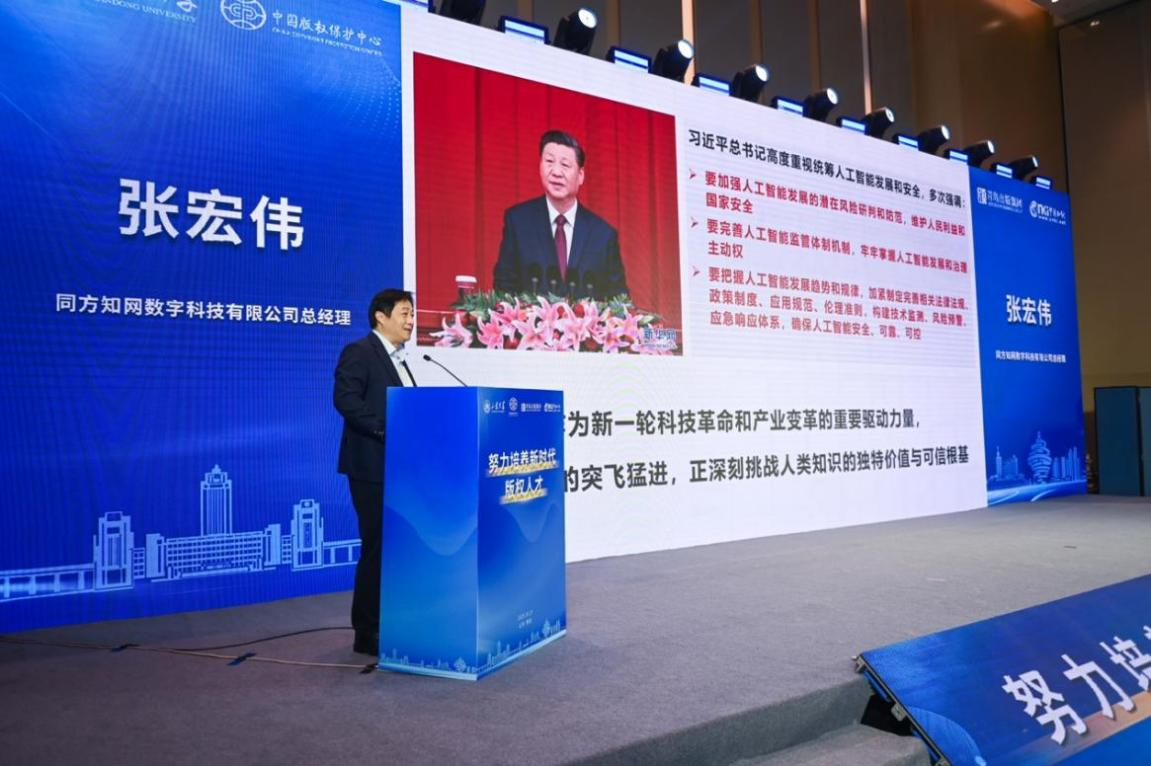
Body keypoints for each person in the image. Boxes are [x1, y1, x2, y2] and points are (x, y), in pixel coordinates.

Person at [333, 288, 416, 656]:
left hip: (400, 467)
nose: (411, 321)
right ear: (381, 317)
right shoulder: (360, 351)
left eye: (412, 314)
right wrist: (383, 429)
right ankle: (367, 632)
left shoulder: (402, 360)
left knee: (397, 547)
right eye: (404, 313)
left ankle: (394, 621)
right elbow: (345, 399)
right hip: (371, 466)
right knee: (377, 546)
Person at [493, 129, 628, 299]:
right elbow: (503, 290)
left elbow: (619, 300)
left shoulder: (603, 235)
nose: (556, 172)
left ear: (580, 175)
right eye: (549, 161)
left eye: (565, 165)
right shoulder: (518, 222)